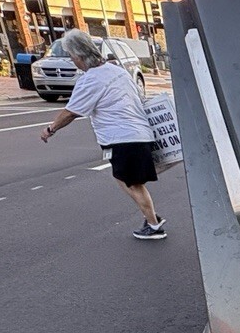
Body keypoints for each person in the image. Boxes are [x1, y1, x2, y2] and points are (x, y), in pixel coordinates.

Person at [40, 30, 166, 240]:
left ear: (79, 55)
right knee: (123, 178)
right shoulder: (118, 71)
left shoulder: (91, 80)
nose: (72, 61)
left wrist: (51, 129)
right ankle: (151, 218)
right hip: (138, 134)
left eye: (71, 56)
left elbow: (71, 112)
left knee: (132, 183)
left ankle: (154, 225)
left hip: (122, 138)